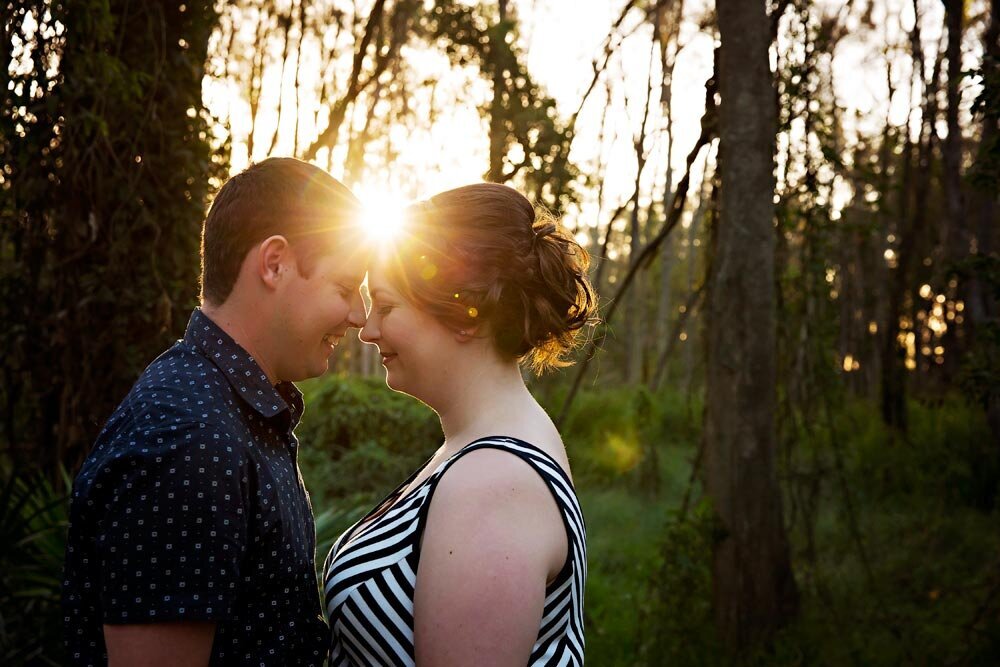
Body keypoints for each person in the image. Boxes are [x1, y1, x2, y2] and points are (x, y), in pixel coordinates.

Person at [62, 157, 369, 666]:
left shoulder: (227, 409)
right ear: (274, 264)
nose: (358, 315)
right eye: (343, 287)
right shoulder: (188, 438)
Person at [322, 183, 596, 666]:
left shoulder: (496, 480)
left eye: (386, 305)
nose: (368, 329)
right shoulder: (477, 448)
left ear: (466, 314)